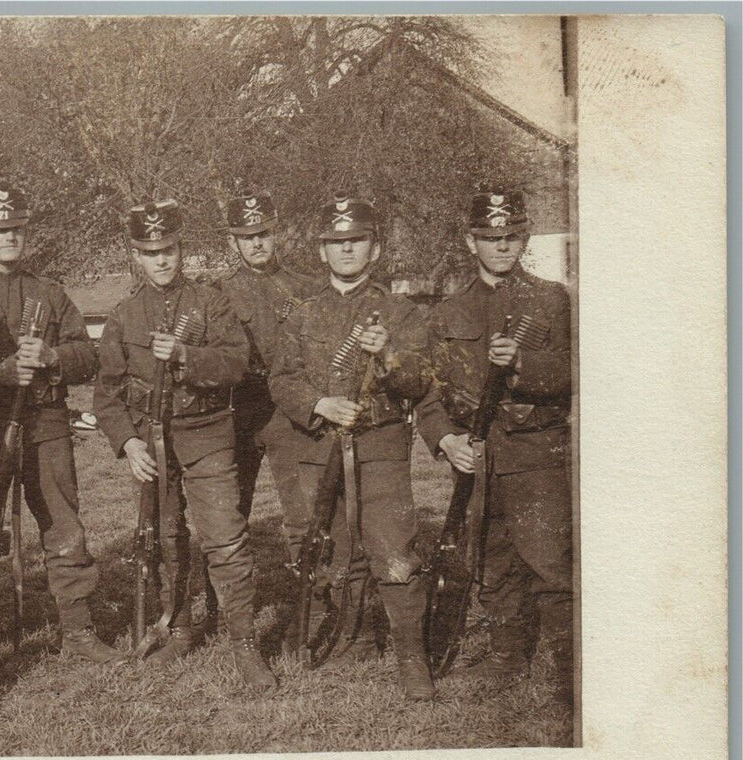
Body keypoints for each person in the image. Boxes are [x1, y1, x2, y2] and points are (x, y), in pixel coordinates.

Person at [93, 199, 275, 691]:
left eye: (169, 249)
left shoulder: (209, 303)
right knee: (165, 538)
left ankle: (245, 644)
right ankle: (180, 627)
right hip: (151, 447)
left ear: (181, 249)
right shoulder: (123, 316)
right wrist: (128, 443)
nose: (162, 260)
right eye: (151, 252)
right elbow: (106, 393)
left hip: (208, 434)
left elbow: (238, 363)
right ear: (137, 255)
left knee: (225, 537)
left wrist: (186, 355)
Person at [270, 195, 435, 700]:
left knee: (393, 547)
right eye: (336, 243)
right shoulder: (302, 314)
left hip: (379, 444)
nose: (345, 251)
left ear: (375, 248)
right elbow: (282, 377)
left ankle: (412, 656)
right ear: (322, 252)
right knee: (336, 548)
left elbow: (420, 381)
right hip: (318, 446)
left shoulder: (402, 313)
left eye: (355, 241)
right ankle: (354, 635)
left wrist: (387, 353)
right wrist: (319, 403)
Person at [415, 190, 574, 706]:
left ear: (524, 238)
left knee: (548, 559)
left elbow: (574, 371)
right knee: (489, 555)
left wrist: (524, 365)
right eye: (491, 238)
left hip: (535, 450)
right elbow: (427, 390)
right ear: (471, 241)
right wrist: (444, 438)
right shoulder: (449, 309)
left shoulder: (550, 299)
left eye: (512, 237)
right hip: (477, 454)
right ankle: (508, 653)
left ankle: (569, 663)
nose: (503, 246)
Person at [0, 185, 121, 665]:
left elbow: (87, 356)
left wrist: (52, 356)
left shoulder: (50, 293)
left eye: (16, 230)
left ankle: (77, 630)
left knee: (62, 525)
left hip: (47, 422)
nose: (9, 237)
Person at [208, 189, 319, 650]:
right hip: (238, 410)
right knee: (229, 514)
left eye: (262, 234)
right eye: (245, 237)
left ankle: (311, 606)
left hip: (288, 413)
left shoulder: (306, 288)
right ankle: (223, 607)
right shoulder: (217, 293)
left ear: (275, 234)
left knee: (301, 513)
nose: (255, 244)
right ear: (233, 242)